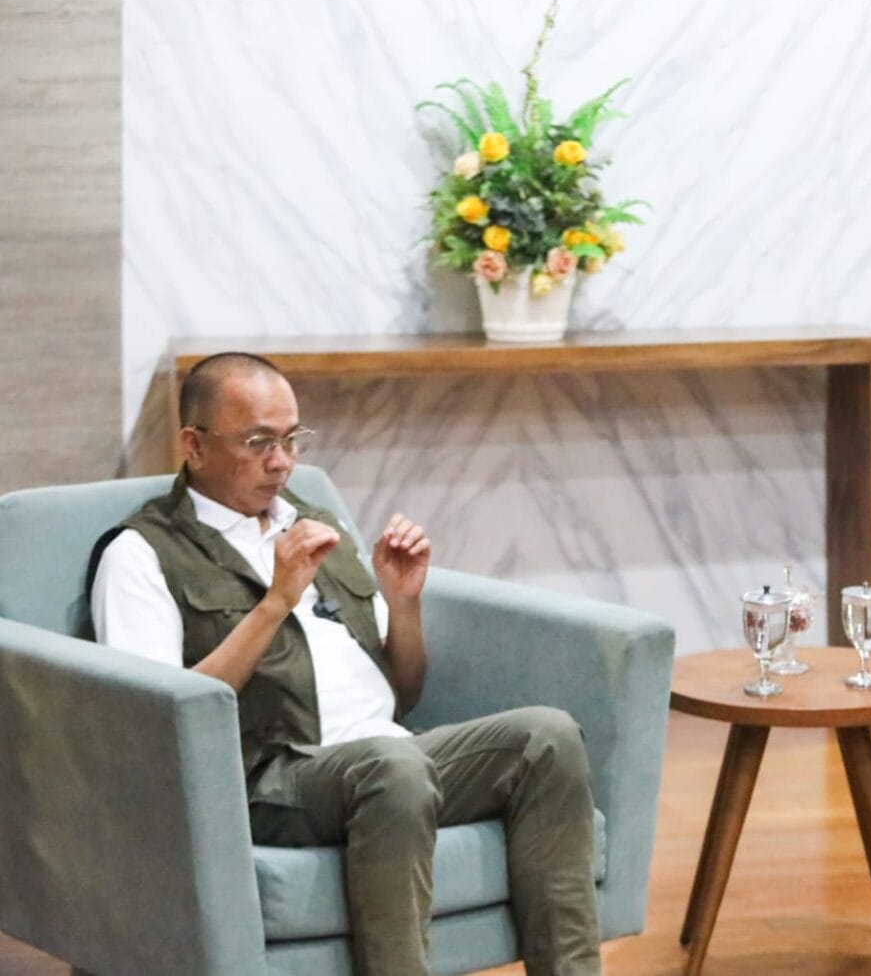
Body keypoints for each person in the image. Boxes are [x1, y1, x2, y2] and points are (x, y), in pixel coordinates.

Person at [90, 352, 601, 976]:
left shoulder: (314, 523)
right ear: (193, 445)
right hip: (269, 778)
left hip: (388, 758)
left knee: (548, 738)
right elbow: (158, 723)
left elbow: (402, 693)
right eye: (258, 442)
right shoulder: (141, 553)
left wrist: (403, 602)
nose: (281, 462)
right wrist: (275, 603)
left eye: (291, 439)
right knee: (393, 766)